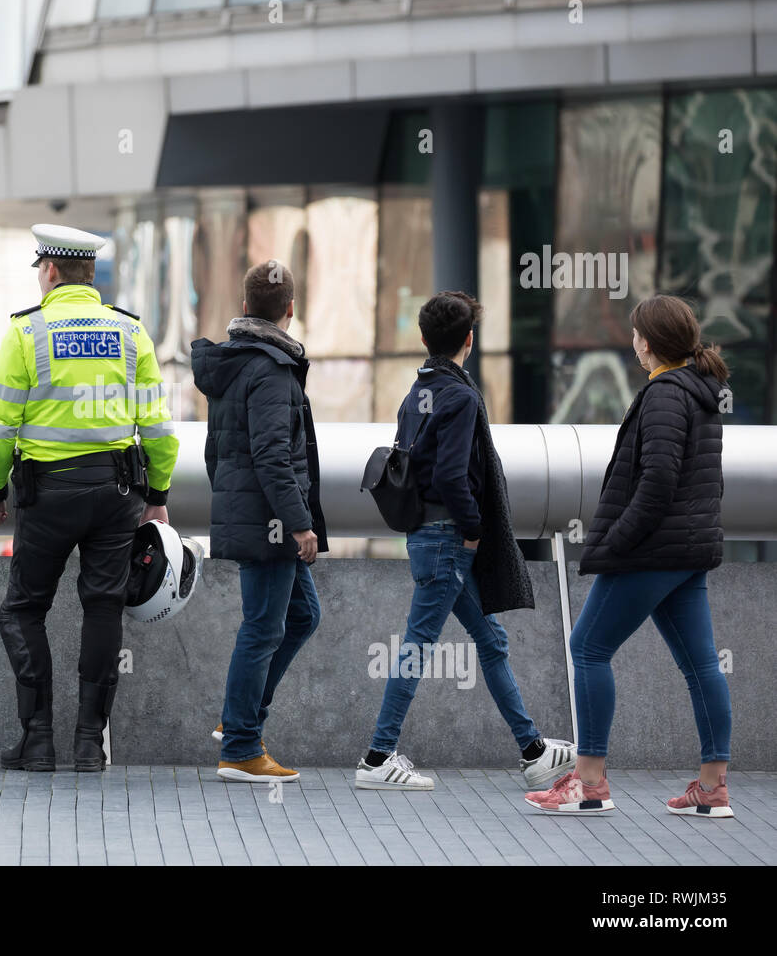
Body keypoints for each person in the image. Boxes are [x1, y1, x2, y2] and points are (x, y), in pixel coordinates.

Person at [356, 291, 575, 792]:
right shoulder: (460, 396)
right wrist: (474, 531)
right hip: (448, 541)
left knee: (491, 640)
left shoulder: (418, 393)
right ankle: (376, 758)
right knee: (416, 646)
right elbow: (454, 476)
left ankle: (534, 751)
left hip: (427, 537)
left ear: (423, 339)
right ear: (470, 341)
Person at [0, 223, 179, 772]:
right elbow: (159, 428)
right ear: (89, 273)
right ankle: (89, 743)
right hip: (118, 494)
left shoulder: (27, 333)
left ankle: (37, 739)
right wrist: (157, 494)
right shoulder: (130, 333)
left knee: (22, 610)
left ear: (49, 271)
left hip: (47, 496)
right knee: (103, 606)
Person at [527, 295, 732, 817]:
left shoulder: (665, 393)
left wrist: (618, 539)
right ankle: (712, 788)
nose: (632, 342)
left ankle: (589, 783)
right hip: (687, 550)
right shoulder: (701, 391)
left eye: (637, 333)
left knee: (588, 647)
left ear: (649, 340)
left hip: (652, 550)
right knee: (702, 665)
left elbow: (659, 480)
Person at [191, 260, 328, 783]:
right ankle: (242, 747)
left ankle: (238, 720)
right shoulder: (270, 368)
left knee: (301, 616)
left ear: (245, 306)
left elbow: (215, 452)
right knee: (263, 627)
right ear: (290, 309)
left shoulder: (236, 363)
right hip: (271, 520)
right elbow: (273, 455)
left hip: (250, 512)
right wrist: (298, 523)